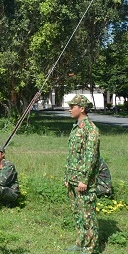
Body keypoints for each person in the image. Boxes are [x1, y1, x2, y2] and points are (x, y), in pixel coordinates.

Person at [64, 94, 100, 254]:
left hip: (83, 182)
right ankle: (80, 242)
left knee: (87, 215)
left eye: (73, 106)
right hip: (73, 179)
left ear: (82, 109)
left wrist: (84, 180)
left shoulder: (90, 129)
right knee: (77, 213)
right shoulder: (75, 127)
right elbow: (72, 156)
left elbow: (90, 157)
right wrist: (68, 177)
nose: (69, 109)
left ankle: (91, 248)